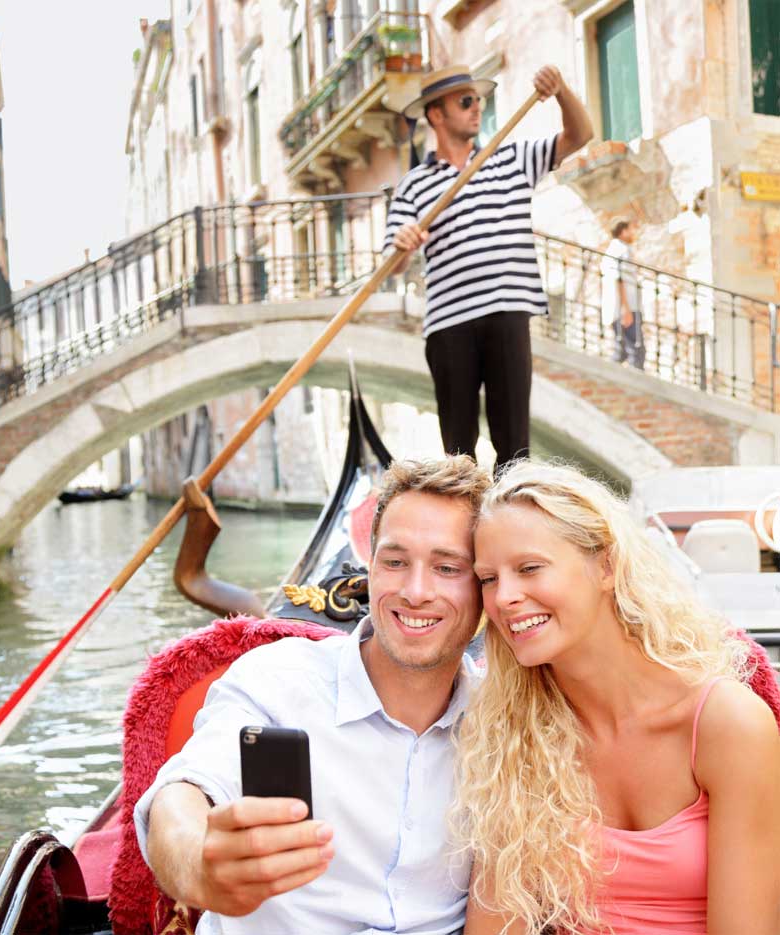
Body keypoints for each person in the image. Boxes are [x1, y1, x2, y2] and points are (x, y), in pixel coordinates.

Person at [135, 456, 490, 934]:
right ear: (370, 567)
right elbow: (183, 794)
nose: (415, 591)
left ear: (485, 585)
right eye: (395, 562)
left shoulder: (503, 722)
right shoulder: (276, 682)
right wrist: (199, 863)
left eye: (447, 567)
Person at [452, 460, 780, 934]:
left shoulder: (726, 724)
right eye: (488, 579)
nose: (504, 598)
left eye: (529, 569)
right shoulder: (511, 732)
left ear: (606, 566)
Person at [384, 65, 593, 471]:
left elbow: (580, 136)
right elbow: (394, 266)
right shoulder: (412, 186)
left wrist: (562, 90)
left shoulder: (512, 159)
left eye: (478, 99)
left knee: (514, 445)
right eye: (465, 101)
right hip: (449, 323)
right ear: (436, 115)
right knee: (458, 452)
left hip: (507, 311)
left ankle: (509, 525)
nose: (477, 107)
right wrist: (402, 242)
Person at [601, 216, 645, 369]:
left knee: (622, 352)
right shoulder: (621, 250)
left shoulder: (612, 251)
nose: (633, 233)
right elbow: (618, 279)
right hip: (626, 308)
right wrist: (626, 309)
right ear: (623, 231)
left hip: (620, 308)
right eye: (630, 230)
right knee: (636, 351)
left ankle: (605, 375)